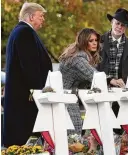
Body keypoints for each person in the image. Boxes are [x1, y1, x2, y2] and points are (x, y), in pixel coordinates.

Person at [3, 2, 52, 147]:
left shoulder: (19, 31)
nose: (43, 19)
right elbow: (29, 67)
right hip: (26, 101)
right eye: (41, 16)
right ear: (31, 17)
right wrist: (40, 91)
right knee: (24, 144)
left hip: (22, 99)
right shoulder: (25, 33)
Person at [97, 8, 128, 134]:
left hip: (122, 94)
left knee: (120, 130)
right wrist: (108, 80)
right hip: (101, 91)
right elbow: (93, 67)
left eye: (123, 25)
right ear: (112, 22)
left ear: (126, 28)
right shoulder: (98, 41)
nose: (119, 27)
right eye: (117, 23)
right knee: (101, 129)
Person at [59, 28, 101, 134]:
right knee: (73, 137)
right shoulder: (78, 59)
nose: (95, 43)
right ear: (83, 42)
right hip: (65, 101)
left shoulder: (77, 55)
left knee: (74, 137)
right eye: (91, 41)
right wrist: (112, 80)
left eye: (96, 40)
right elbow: (95, 77)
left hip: (66, 99)